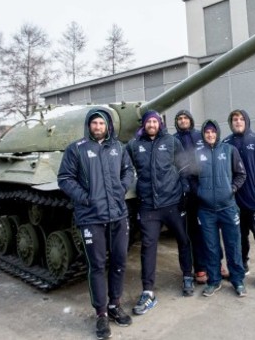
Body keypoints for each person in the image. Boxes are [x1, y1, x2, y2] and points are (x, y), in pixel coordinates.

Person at [57, 108, 135, 340]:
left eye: (102, 123)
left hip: (118, 215)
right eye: (95, 123)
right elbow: (65, 178)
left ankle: (115, 305)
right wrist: (85, 197)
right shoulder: (77, 149)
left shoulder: (118, 147)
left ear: (108, 126)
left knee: (120, 261)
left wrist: (122, 188)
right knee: (98, 265)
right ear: (89, 126)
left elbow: (128, 170)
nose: (98, 127)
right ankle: (101, 313)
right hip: (92, 216)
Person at [126, 110, 194, 316]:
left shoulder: (171, 142)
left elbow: (184, 167)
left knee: (183, 240)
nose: (152, 124)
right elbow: (124, 168)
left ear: (160, 124)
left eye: (155, 121)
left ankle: (187, 276)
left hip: (173, 203)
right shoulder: (134, 145)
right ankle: (148, 291)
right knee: (148, 247)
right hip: (148, 207)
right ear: (144, 125)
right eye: (149, 122)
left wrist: (184, 190)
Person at [194, 119, 247, 297]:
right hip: (206, 210)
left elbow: (241, 174)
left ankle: (238, 280)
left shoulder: (229, 150)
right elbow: (190, 178)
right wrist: (199, 192)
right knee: (211, 247)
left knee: (233, 245)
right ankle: (214, 280)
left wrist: (230, 190)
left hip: (228, 207)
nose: (210, 134)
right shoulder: (198, 153)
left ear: (217, 133)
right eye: (207, 132)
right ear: (204, 134)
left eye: (213, 131)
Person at [223, 109, 255, 288]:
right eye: (234, 119)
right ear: (231, 123)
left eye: (240, 119)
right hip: (235, 202)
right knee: (240, 237)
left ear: (246, 121)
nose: (237, 122)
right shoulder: (226, 143)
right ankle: (242, 265)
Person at [172, 109, 208, 284]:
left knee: (210, 229)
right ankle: (200, 268)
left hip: (204, 188)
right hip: (185, 192)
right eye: (179, 118)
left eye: (185, 118)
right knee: (192, 232)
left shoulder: (200, 135)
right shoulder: (173, 140)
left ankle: (215, 263)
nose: (183, 120)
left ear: (191, 120)